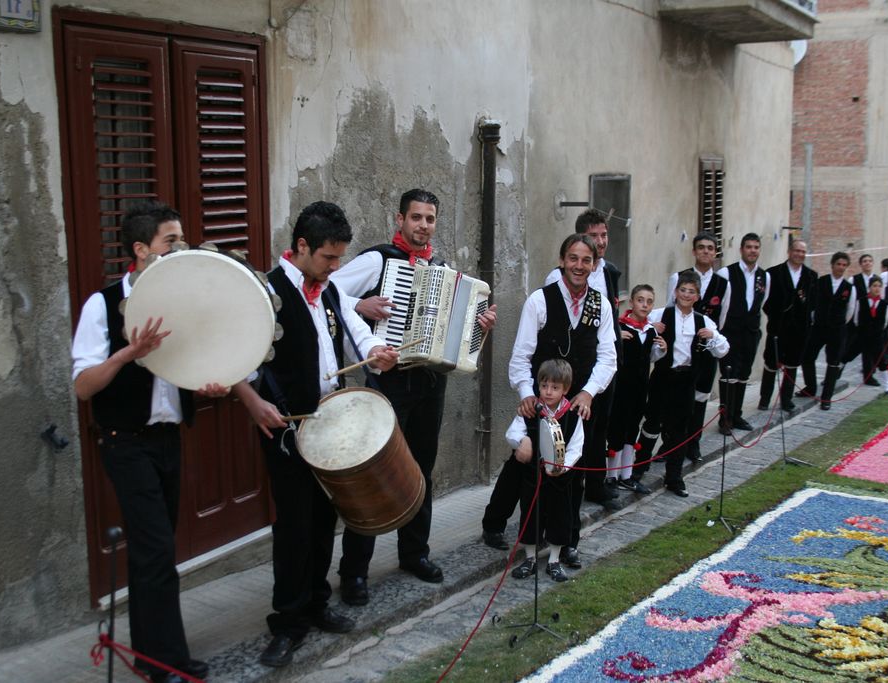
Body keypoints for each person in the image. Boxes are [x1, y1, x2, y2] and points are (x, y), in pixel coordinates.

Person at [231, 201, 400, 668]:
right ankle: (287, 621)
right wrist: (253, 403)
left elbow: (357, 332)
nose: (335, 267)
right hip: (287, 430)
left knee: (325, 520)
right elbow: (236, 362)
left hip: (330, 426)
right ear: (301, 247)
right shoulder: (267, 293)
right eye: (328, 257)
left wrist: (377, 349)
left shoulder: (328, 290)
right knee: (294, 528)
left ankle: (316, 602)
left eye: (339, 257)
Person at [71, 201, 227, 683]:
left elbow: (190, 365)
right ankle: (164, 662)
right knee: (156, 551)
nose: (181, 248)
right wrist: (130, 352)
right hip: (125, 443)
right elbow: (83, 386)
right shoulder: (101, 305)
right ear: (140, 250)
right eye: (170, 241)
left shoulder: (180, 302)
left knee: (155, 552)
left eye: (182, 240)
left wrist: (208, 386)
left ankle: (159, 656)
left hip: (167, 439)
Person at [330, 189, 497, 606]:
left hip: (429, 384)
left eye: (430, 218)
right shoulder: (378, 260)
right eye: (416, 217)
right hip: (389, 382)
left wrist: (478, 328)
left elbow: (457, 342)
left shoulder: (442, 270)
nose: (423, 225)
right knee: (374, 475)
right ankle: (354, 571)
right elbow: (326, 292)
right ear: (400, 219)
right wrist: (361, 304)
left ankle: (414, 553)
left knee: (420, 470)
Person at [508, 233, 617, 569]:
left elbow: (608, 357)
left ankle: (568, 542)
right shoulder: (539, 301)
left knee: (573, 476)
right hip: (542, 399)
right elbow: (521, 356)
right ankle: (520, 536)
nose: (579, 266)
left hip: (578, 405)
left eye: (586, 260)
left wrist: (588, 392)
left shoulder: (601, 305)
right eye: (573, 258)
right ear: (561, 261)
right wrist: (527, 395)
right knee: (528, 472)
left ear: (594, 265)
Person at [543, 209, 623, 510]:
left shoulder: (609, 272)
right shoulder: (556, 279)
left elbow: (608, 319)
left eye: (604, 235)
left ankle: (596, 486)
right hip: (567, 368)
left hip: (601, 364)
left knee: (599, 427)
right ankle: (565, 493)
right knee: (569, 433)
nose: (600, 241)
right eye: (593, 236)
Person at [637, 272, 729, 497]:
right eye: (683, 290)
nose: (687, 295)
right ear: (676, 292)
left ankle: (674, 477)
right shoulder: (660, 314)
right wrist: (650, 329)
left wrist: (713, 336)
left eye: (692, 292)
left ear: (697, 296)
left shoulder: (703, 321)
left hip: (687, 380)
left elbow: (723, 349)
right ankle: (638, 469)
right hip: (662, 377)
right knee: (652, 423)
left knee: (680, 429)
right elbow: (639, 334)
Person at [507, 359, 584, 583]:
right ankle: (530, 558)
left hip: (560, 479)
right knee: (530, 515)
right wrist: (522, 441)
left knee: (560, 516)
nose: (548, 392)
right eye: (544, 386)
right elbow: (512, 432)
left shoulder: (573, 415)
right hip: (533, 476)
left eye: (555, 387)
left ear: (565, 389)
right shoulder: (531, 411)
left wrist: (563, 465)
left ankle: (554, 560)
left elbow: (576, 446)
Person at [666, 232, 730, 462]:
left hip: (705, 353)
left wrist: (709, 338)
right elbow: (669, 311)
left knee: (700, 398)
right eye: (701, 247)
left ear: (715, 253)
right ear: (694, 251)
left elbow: (722, 318)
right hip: (680, 352)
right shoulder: (678, 277)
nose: (705, 251)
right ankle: (669, 445)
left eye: (710, 248)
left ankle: (693, 444)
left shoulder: (723, 284)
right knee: (674, 400)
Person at [606, 285, 666, 494]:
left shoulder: (650, 330)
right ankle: (611, 476)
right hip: (621, 388)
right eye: (640, 300)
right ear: (631, 302)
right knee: (617, 429)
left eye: (649, 302)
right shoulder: (619, 327)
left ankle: (627, 475)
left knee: (632, 428)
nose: (644, 305)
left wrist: (662, 349)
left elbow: (650, 356)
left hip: (640, 389)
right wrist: (616, 338)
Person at [717, 233, 771, 434]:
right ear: (741, 249)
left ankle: (737, 415)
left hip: (750, 332)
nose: (752, 251)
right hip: (730, 331)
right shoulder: (726, 273)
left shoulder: (765, 276)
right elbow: (721, 303)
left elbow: (762, 301)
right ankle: (725, 419)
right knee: (728, 374)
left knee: (743, 374)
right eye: (749, 247)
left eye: (756, 247)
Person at [758, 239, 816, 412]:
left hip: (799, 330)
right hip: (778, 328)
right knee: (771, 363)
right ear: (789, 251)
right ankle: (764, 399)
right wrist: (777, 314)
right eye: (797, 250)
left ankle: (786, 400)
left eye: (803, 252)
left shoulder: (811, 276)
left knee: (792, 365)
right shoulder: (773, 273)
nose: (800, 254)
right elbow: (765, 301)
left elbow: (813, 303)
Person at [800, 252, 856, 410]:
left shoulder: (849, 288)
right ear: (832, 265)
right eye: (838, 264)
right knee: (807, 356)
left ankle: (826, 398)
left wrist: (838, 322)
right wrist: (816, 319)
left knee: (833, 363)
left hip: (837, 330)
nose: (841, 267)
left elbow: (850, 311)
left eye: (844, 265)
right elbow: (812, 303)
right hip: (819, 327)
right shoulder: (820, 282)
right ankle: (810, 387)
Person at [842, 254, 875, 384]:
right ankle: (835, 373)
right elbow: (849, 299)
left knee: (868, 349)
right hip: (855, 318)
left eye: (869, 261)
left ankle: (868, 376)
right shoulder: (853, 279)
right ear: (861, 264)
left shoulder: (876, 280)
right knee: (847, 347)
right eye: (864, 261)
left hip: (870, 320)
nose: (867, 263)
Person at [858, 275, 888, 393]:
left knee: (881, 360)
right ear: (869, 287)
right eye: (874, 286)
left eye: (879, 286)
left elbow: (885, 322)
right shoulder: (861, 301)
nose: (877, 288)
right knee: (850, 355)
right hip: (863, 335)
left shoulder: (885, 304)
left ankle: (887, 386)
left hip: (877, 337)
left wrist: (878, 331)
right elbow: (856, 319)